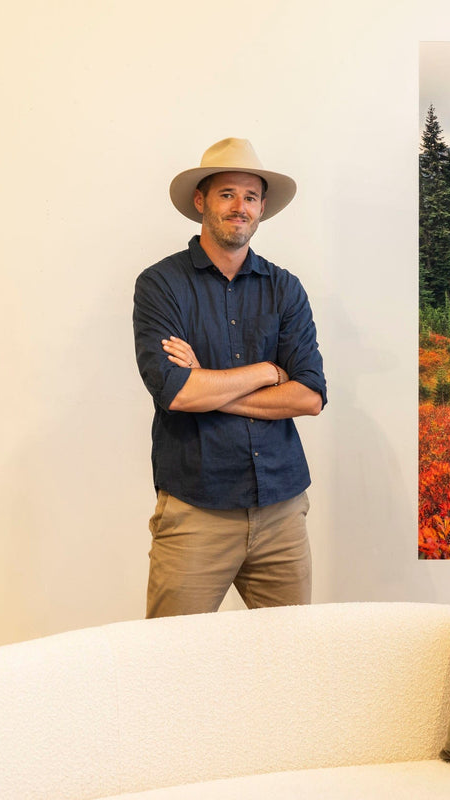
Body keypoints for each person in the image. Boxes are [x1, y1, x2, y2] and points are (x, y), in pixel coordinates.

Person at [132, 138, 327, 618]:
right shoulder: (160, 285)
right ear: (201, 202)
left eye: (251, 197)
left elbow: (309, 397)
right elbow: (175, 392)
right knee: (171, 663)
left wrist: (210, 386)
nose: (240, 207)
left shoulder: (285, 288)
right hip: (197, 509)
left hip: (282, 508)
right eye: (227, 195)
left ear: (261, 209)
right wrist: (267, 371)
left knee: (291, 658)